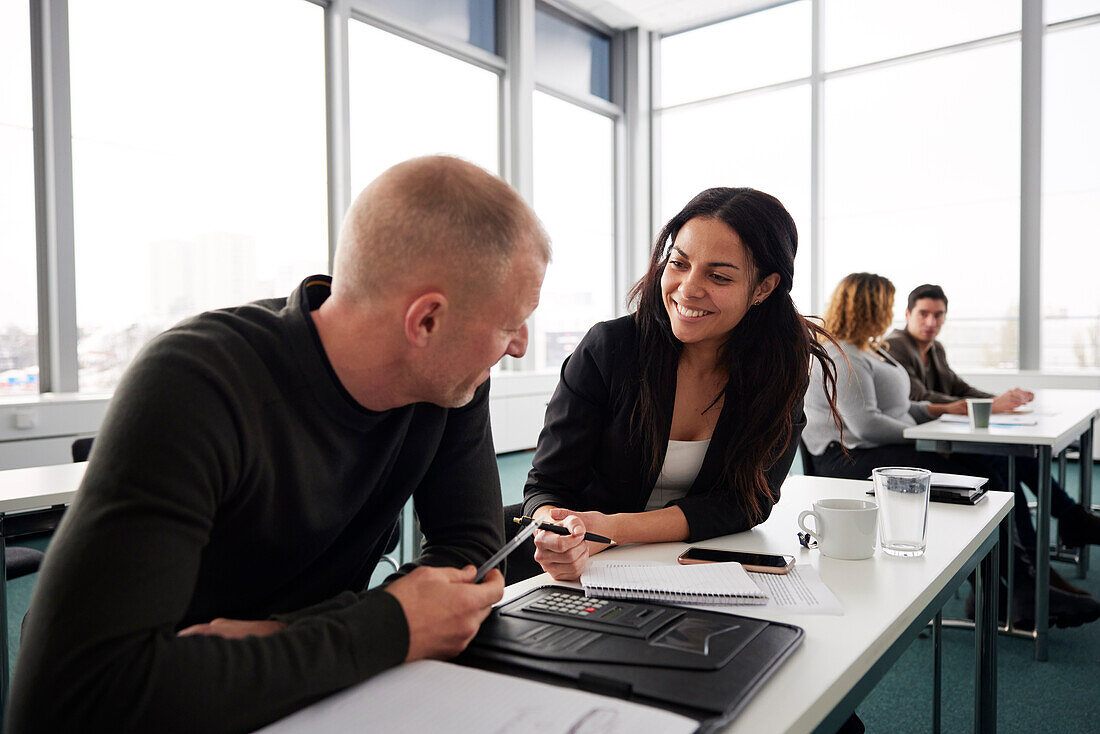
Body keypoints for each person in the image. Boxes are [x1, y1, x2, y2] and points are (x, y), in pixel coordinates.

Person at [8, 156, 550, 733]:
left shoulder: (450, 384)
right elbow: (80, 694)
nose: (517, 346)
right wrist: (389, 624)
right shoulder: (198, 381)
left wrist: (290, 633)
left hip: (300, 695)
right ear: (426, 322)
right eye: (510, 323)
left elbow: (470, 552)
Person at [519, 187, 843, 582]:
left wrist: (615, 529)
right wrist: (556, 528)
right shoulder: (610, 349)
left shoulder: (778, 370)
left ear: (763, 288)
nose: (688, 289)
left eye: (719, 276)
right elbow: (547, 486)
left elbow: (749, 502)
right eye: (679, 263)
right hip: (585, 569)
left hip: (695, 571)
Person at [804, 273, 1100, 628]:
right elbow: (867, 426)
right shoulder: (842, 354)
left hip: (879, 447)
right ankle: (1020, 585)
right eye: (888, 304)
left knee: (983, 471)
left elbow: (903, 407)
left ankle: (1009, 586)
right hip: (850, 458)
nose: (892, 313)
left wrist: (942, 411)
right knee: (975, 476)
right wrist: (927, 436)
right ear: (871, 306)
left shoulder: (873, 349)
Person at [884, 283, 1100, 553]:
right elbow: (919, 395)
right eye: (923, 313)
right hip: (923, 439)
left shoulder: (935, 348)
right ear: (907, 314)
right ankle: (1043, 540)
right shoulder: (896, 346)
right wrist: (990, 405)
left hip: (946, 431)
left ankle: (1051, 533)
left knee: (1017, 457)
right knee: (1003, 461)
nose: (931, 321)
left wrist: (1002, 399)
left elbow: (960, 388)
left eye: (938, 315)